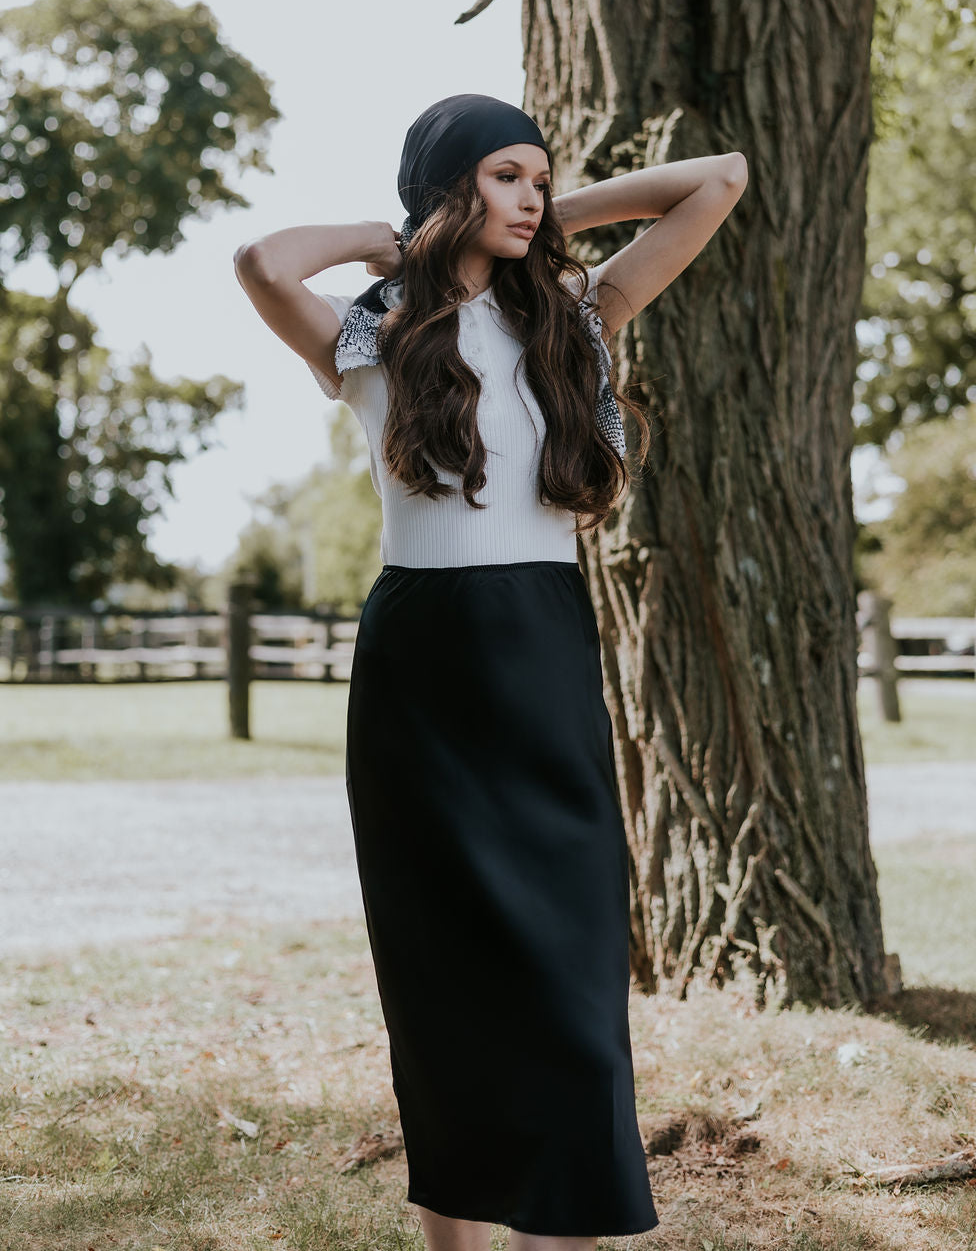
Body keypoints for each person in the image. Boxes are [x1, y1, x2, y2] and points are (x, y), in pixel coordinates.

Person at [234, 93, 747, 1251]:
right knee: (442, 985)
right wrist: (396, 236)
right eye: (504, 176)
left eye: (538, 178)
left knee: (569, 983)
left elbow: (716, 178)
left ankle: (560, 1230)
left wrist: (549, 208)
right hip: (419, 662)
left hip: (541, 649)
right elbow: (263, 259)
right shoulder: (372, 329)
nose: (528, 197)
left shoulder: (577, 312)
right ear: (450, 187)